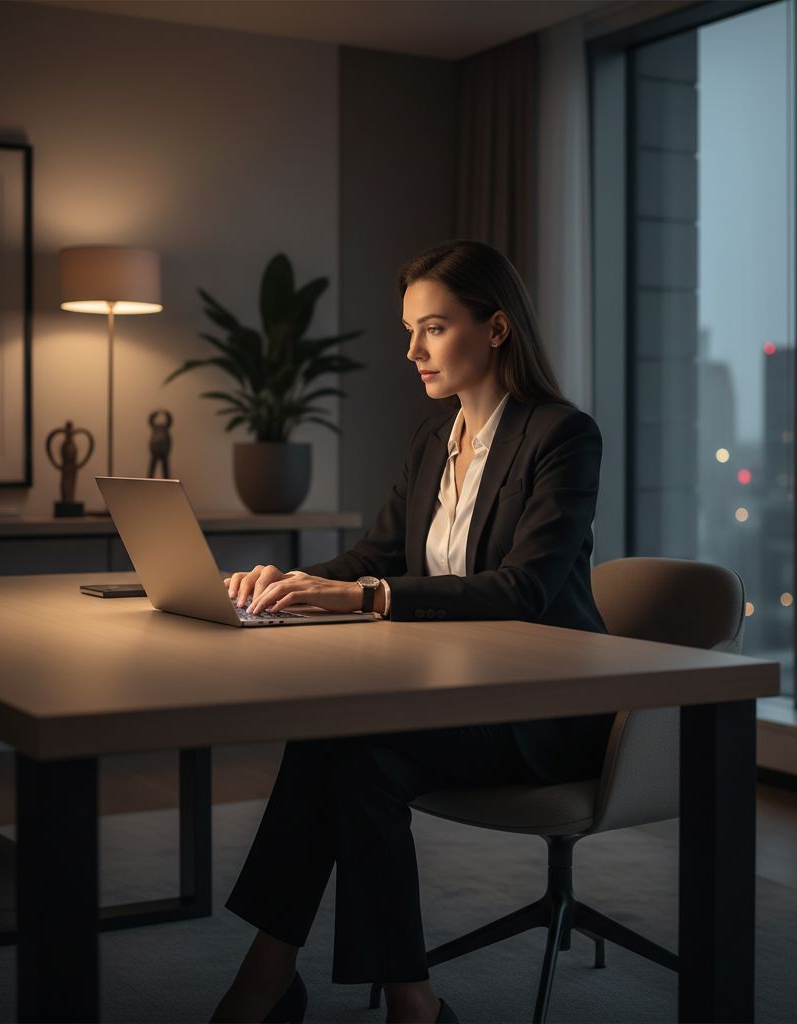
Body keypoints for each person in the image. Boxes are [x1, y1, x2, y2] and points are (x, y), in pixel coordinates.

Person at [211, 240, 610, 1024]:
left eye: (432, 328)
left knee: (359, 758)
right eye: (409, 331)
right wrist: (286, 584)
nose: (413, 350)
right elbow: (379, 554)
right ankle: (369, 992)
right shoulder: (435, 440)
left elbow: (523, 587)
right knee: (332, 737)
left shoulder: (562, 437)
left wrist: (359, 597)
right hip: (457, 695)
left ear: (496, 328)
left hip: (544, 710)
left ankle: (314, 988)